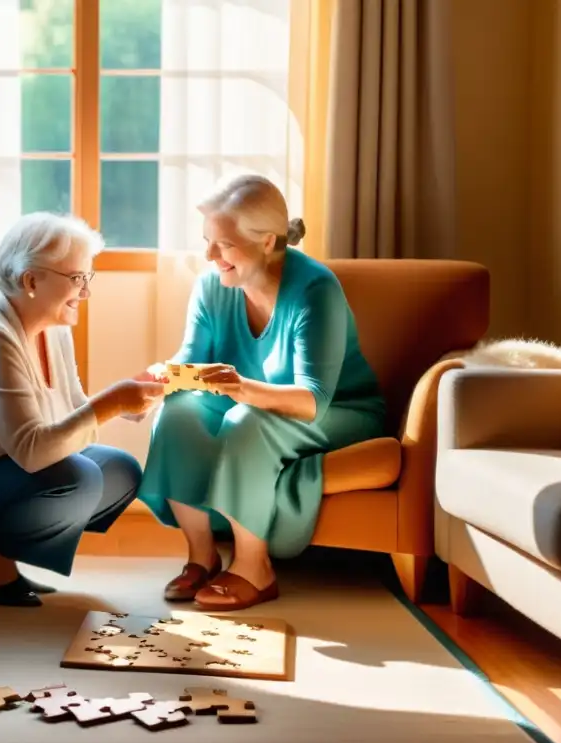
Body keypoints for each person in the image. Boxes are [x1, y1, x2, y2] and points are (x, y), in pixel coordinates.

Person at [138, 174, 387, 612]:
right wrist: (157, 383)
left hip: (337, 413)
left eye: (224, 244)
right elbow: (191, 359)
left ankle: (255, 567)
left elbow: (313, 398)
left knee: (245, 419)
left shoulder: (316, 290)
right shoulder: (214, 284)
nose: (210, 255)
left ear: (268, 241)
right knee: (177, 412)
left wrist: (243, 390)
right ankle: (202, 555)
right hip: (253, 403)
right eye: (207, 241)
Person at [0, 212, 165, 607]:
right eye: (77, 279)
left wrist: (126, 403)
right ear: (31, 280)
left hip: (4, 469)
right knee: (80, 477)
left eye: (87, 279)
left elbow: (71, 412)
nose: (85, 292)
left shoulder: (53, 326)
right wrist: (110, 403)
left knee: (121, 471)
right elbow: (34, 450)